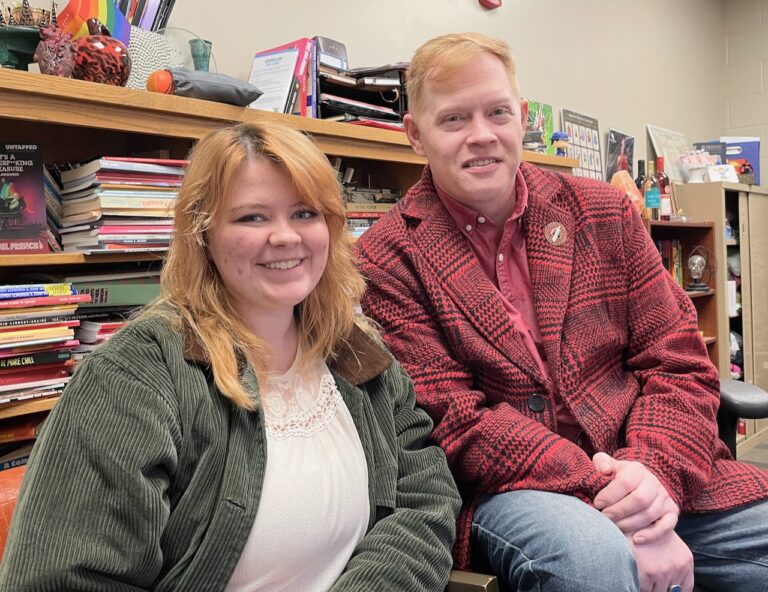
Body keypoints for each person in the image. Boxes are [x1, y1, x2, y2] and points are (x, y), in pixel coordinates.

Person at [357, 32, 768, 592]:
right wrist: (612, 493)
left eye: (497, 111)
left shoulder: (605, 213)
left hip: (651, 468)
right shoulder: (385, 259)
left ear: (521, 117)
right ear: (415, 135)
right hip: (514, 492)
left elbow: (678, 362)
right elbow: (453, 423)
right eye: (453, 120)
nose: (482, 135)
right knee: (592, 560)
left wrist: (652, 474)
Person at [0, 121, 461, 591]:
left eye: (305, 213)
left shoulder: (356, 351)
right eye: (252, 218)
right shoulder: (134, 376)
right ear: (204, 235)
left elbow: (424, 500)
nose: (285, 237)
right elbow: (61, 579)